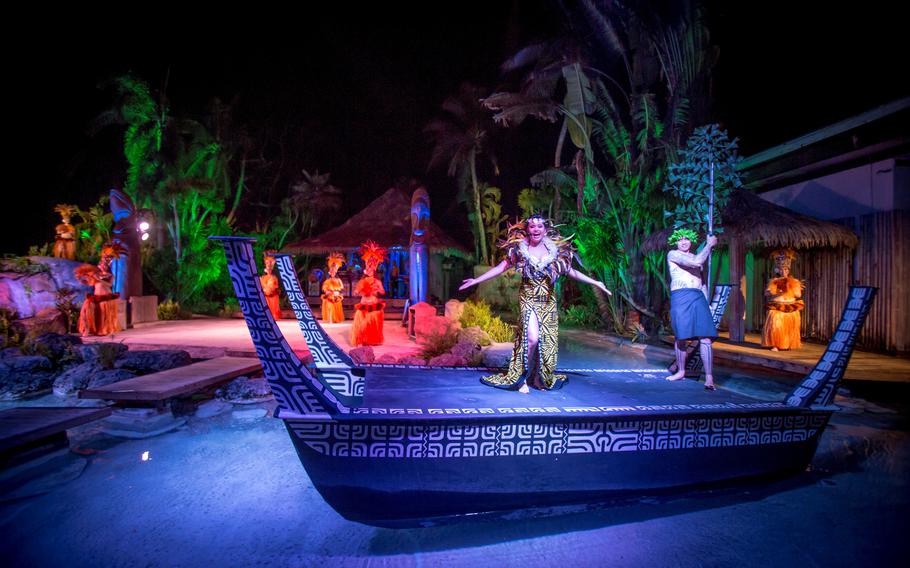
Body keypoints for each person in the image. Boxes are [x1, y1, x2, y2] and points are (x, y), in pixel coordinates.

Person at [459, 215, 611, 393]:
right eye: (532, 226)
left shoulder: (555, 251)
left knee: (545, 341)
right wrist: (477, 280)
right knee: (532, 339)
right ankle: (521, 378)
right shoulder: (519, 250)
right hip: (528, 300)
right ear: (528, 229)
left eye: (540, 226)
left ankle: (538, 378)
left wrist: (596, 283)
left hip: (547, 302)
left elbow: (570, 271)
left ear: (545, 229)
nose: (536, 229)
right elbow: (501, 267)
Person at [664, 228, 718, 390]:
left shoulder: (696, 256)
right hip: (681, 296)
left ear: (691, 241)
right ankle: (681, 371)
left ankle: (709, 378)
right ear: (676, 242)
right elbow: (696, 263)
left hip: (698, 297)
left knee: (706, 338)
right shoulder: (673, 254)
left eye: (686, 239)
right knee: (681, 336)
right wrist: (708, 246)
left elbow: (701, 282)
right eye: (680, 239)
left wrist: (706, 302)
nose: (683, 242)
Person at [75, 243, 123, 336]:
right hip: (96, 297)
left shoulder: (110, 275)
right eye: (101, 264)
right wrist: (81, 279)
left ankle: (103, 330)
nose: (102, 265)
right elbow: (91, 283)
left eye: (104, 264)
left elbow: (109, 285)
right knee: (86, 308)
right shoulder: (96, 273)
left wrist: (99, 279)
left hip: (106, 297)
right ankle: (88, 329)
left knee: (103, 315)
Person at [761, 248, 804, 351]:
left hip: (790, 306)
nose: (783, 271)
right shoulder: (774, 281)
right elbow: (766, 293)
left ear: (788, 270)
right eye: (781, 269)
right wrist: (774, 291)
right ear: (777, 270)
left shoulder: (794, 281)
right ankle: (775, 344)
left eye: (785, 269)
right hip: (777, 306)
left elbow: (798, 295)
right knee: (776, 326)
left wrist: (790, 288)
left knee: (789, 327)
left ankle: (789, 344)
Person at [351, 241, 387, 346]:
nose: (370, 269)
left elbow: (383, 292)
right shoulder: (362, 281)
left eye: (372, 267)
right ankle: (362, 339)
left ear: (374, 269)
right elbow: (355, 293)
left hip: (373, 304)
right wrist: (358, 292)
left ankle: (371, 340)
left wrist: (377, 290)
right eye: (368, 267)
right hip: (364, 304)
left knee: (372, 323)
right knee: (362, 324)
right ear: (366, 269)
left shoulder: (377, 281)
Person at [321, 252, 346, 323]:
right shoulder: (327, 280)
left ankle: (335, 318)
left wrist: (337, 292)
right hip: (329, 295)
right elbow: (325, 289)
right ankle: (330, 318)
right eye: (331, 271)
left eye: (334, 271)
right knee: (329, 303)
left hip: (336, 295)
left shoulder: (338, 280)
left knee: (336, 303)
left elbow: (341, 288)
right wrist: (329, 292)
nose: (332, 272)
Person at [260, 251, 283, 321]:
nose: (269, 264)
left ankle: (273, 316)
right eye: (267, 263)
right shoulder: (263, 276)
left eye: (271, 262)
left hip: (273, 293)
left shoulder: (274, 276)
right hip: (266, 293)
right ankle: (267, 315)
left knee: (273, 304)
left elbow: (276, 285)